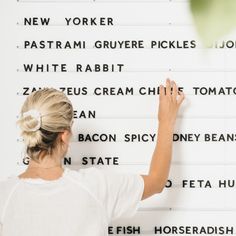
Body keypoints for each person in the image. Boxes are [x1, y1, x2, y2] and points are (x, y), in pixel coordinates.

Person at [0, 78, 184, 236]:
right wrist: (166, 121)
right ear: (64, 135)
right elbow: (157, 181)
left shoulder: (5, 194)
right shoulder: (96, 187)